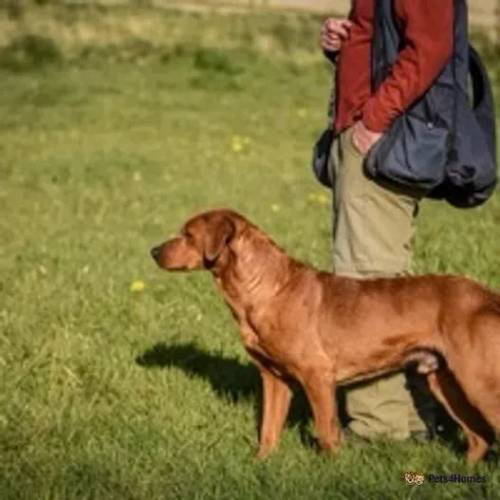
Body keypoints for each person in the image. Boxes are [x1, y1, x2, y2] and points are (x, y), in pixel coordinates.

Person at [319, 0, 454, 441]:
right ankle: (413, 419)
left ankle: (381, 426)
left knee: (364, 288)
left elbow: (431, 46)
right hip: (369, 136)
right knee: (389, 286)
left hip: (377, 139)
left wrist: (374, 119)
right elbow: (392, 42)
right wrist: (347, 43)